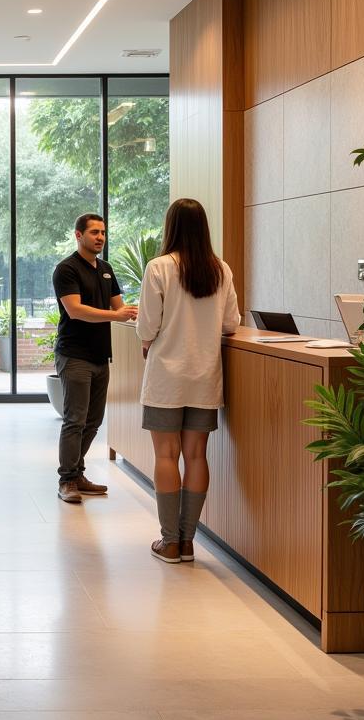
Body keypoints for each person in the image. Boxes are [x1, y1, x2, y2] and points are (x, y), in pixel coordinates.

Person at [136, 198, 240, 563]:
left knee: (167, 454)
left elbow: (147, 325)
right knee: (197, 455)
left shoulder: (159, 267)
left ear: (171, 227)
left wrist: (149, 340)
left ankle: (170, 542)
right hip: (205, 378)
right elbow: (231, 324)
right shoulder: (220, 270)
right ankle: (189, 540)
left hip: (166, 377)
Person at [53, 213, 138, 503]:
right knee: (75, 420)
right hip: (74, 354)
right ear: (79, 235)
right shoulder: (66, 269)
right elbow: (75, 310)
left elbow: (120, 306)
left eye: (103, 232)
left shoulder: (106, 268)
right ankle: (67, 481)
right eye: (94, 232)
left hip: (101, 356)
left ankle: (77, 473)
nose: (100, 237)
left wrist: (143, 311)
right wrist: (116, 315)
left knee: (93, 420)